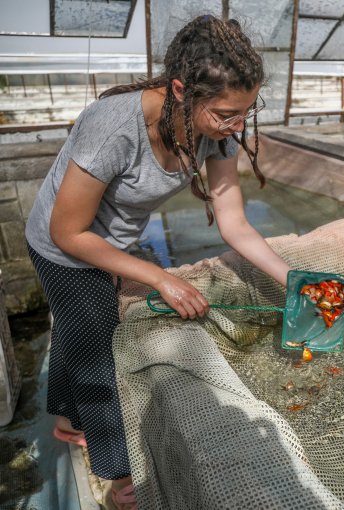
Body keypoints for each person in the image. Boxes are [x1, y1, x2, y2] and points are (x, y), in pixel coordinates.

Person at [24, 15, 290, 509]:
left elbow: (234, 225)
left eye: (246, 113)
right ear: (179, 91)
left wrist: (295, 281)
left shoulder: (219, 131)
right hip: (61, 245)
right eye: (227, 114)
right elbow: (68, 231)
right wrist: (160, 277)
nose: (237, 127)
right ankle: (117, 476)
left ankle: (65, 417)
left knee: (80, 328)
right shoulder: (113, 128)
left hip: (112, 243)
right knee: (100, 349)